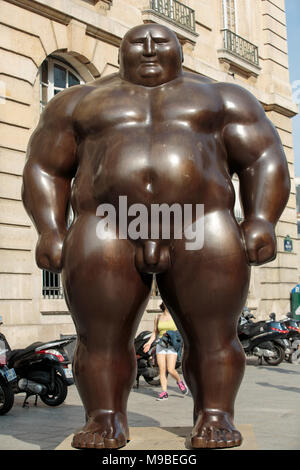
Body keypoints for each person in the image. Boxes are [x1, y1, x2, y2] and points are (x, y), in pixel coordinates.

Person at [22, 23, 290, 449]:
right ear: (121, 51)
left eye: (160, 42)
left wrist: (261, 219)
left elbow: (263, 157)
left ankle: (215, 415)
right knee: (98, 336)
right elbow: (44, 167)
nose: (148, 49)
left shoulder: (222, 97)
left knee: (214, 333)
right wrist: (51, 229)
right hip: (107, 224)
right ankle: (104, 417)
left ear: (180, 50)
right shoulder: (80, 101)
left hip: (200, 222)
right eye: (137, 43)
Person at [143, 302, 187, 400]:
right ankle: (164, 392)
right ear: (164, 305)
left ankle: (179, 381)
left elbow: (182, 331)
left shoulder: (176, 317)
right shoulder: (157, 317)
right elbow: (155, 332)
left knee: (171, 369)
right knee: (162, 370)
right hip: (161, 345)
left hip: (172, 345)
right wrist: (149, 343)